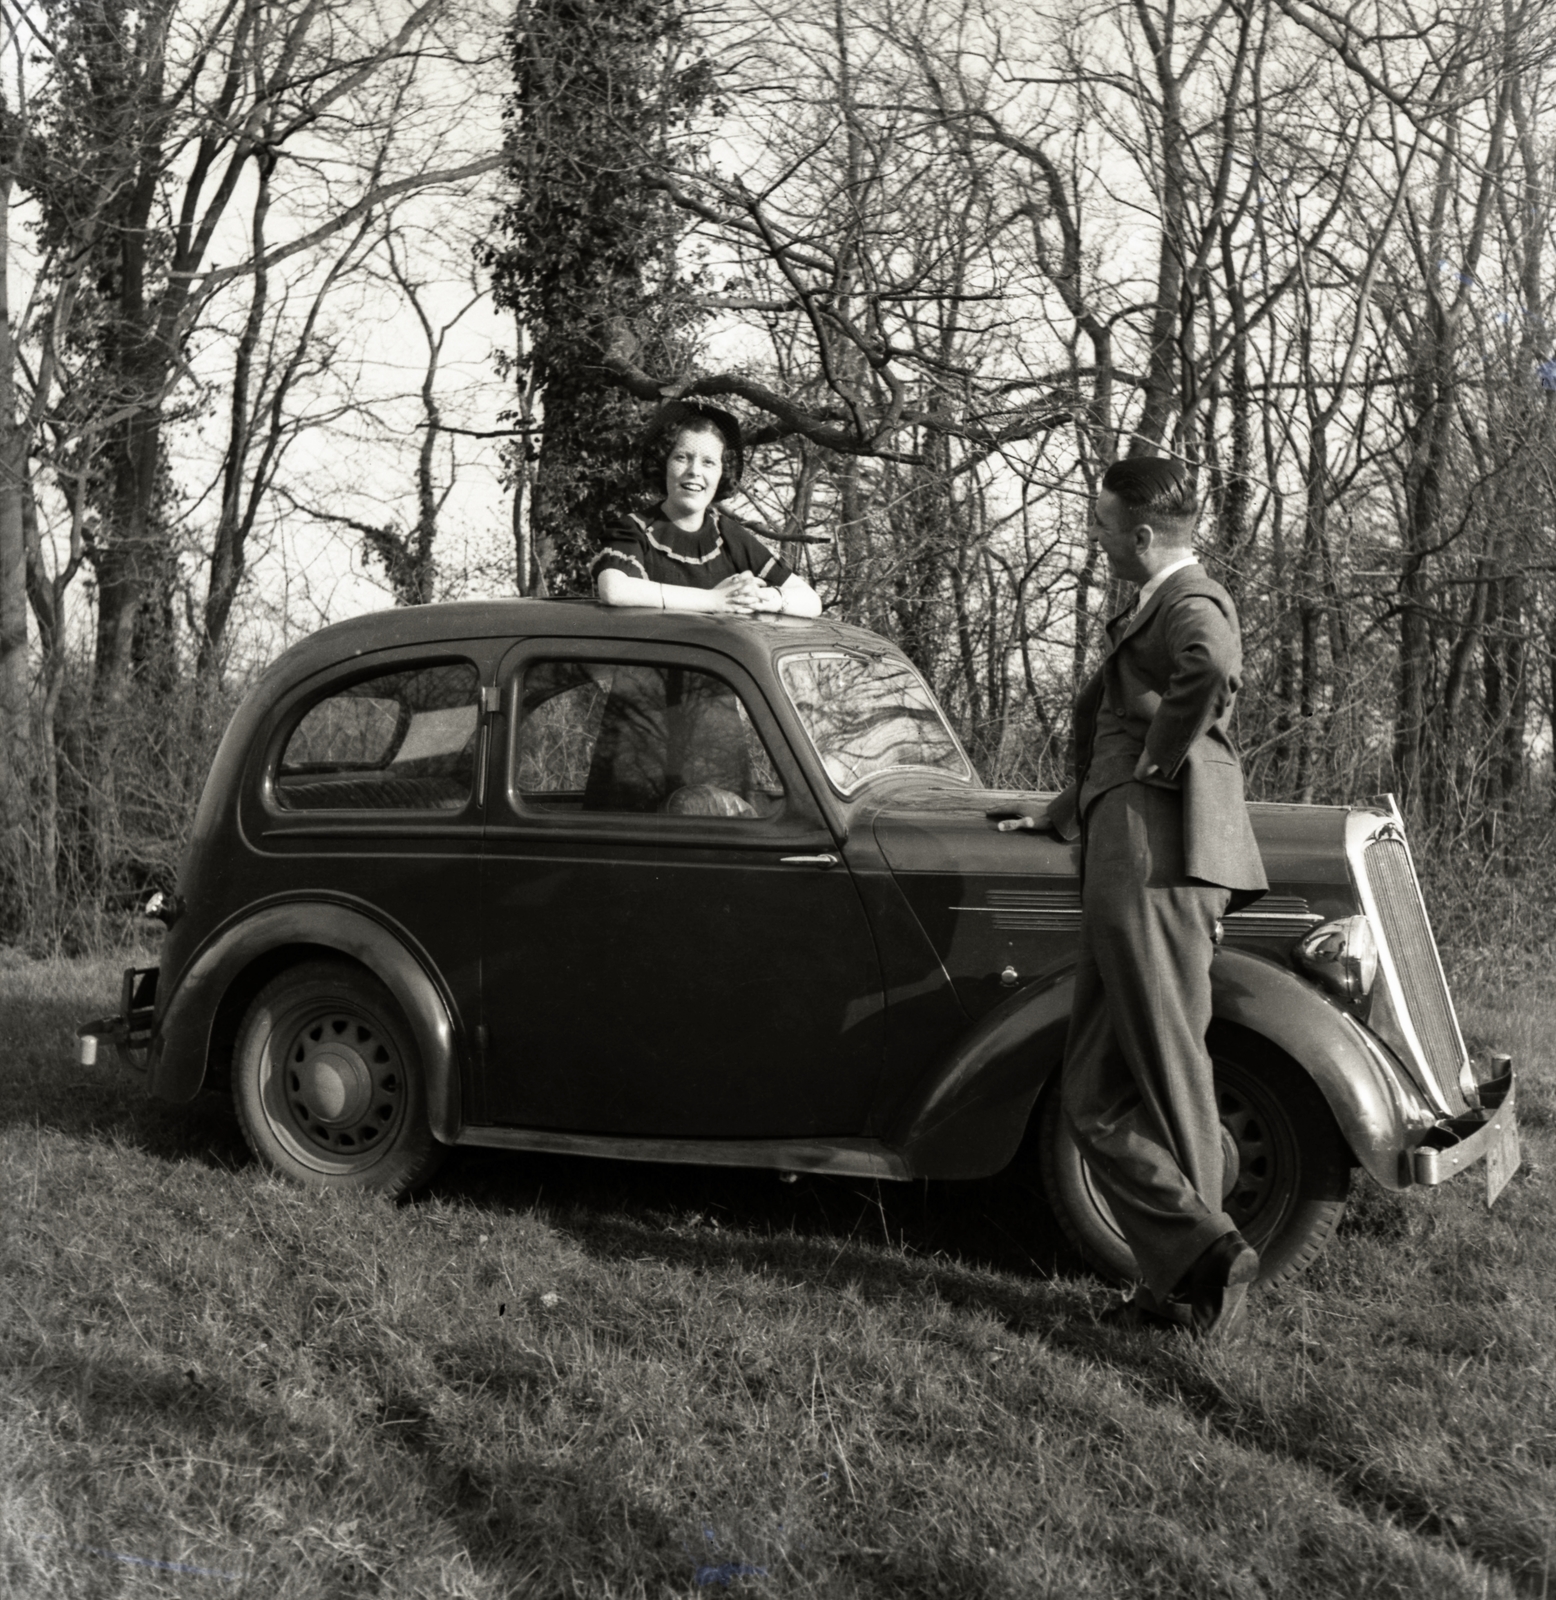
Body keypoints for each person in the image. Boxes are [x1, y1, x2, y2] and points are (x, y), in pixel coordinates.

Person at [991, 458, 1268, 1339]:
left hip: (1155, 855)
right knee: (1103, 1091)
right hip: (1132, 847)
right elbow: (1122, 726)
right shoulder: (1156, 604)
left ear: (1143, 537)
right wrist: (1064, 809)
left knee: (1159, 1069)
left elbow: (1212, 668)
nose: (1098, 539)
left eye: (1104, 526)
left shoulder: (1191, 600)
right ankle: (1189, 1268)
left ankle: (1197, 1272)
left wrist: (1156, 767)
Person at [592, 401, 822, 617]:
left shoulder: (730, 537)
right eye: (682, 457)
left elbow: (811, 601)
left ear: (723, 473)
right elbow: (614, 590)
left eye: (708, 462)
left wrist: (755, 598)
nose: (694, 471)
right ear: (664, 464)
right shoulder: (634, 529)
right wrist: (713, 600)